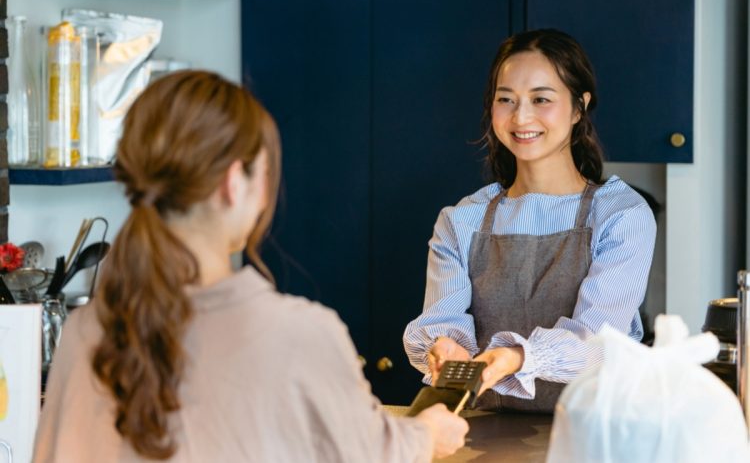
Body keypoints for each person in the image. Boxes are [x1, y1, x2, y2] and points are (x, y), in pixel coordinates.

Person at [33, 71, 468, 462]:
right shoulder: (301, 335)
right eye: (264, 173)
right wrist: (426, 435)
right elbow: (371, 452)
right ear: (231, 183)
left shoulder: (85, 333)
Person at [403, 29, 657, 413]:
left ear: (578, 107)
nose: (521, 117)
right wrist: (443, 348)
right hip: (481, 433)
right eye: (506, 99)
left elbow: (598, 343)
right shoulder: (462, 220)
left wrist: (516, 357)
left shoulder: (621, 215)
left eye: (541, 99)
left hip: (589, 436)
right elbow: (442, 320)